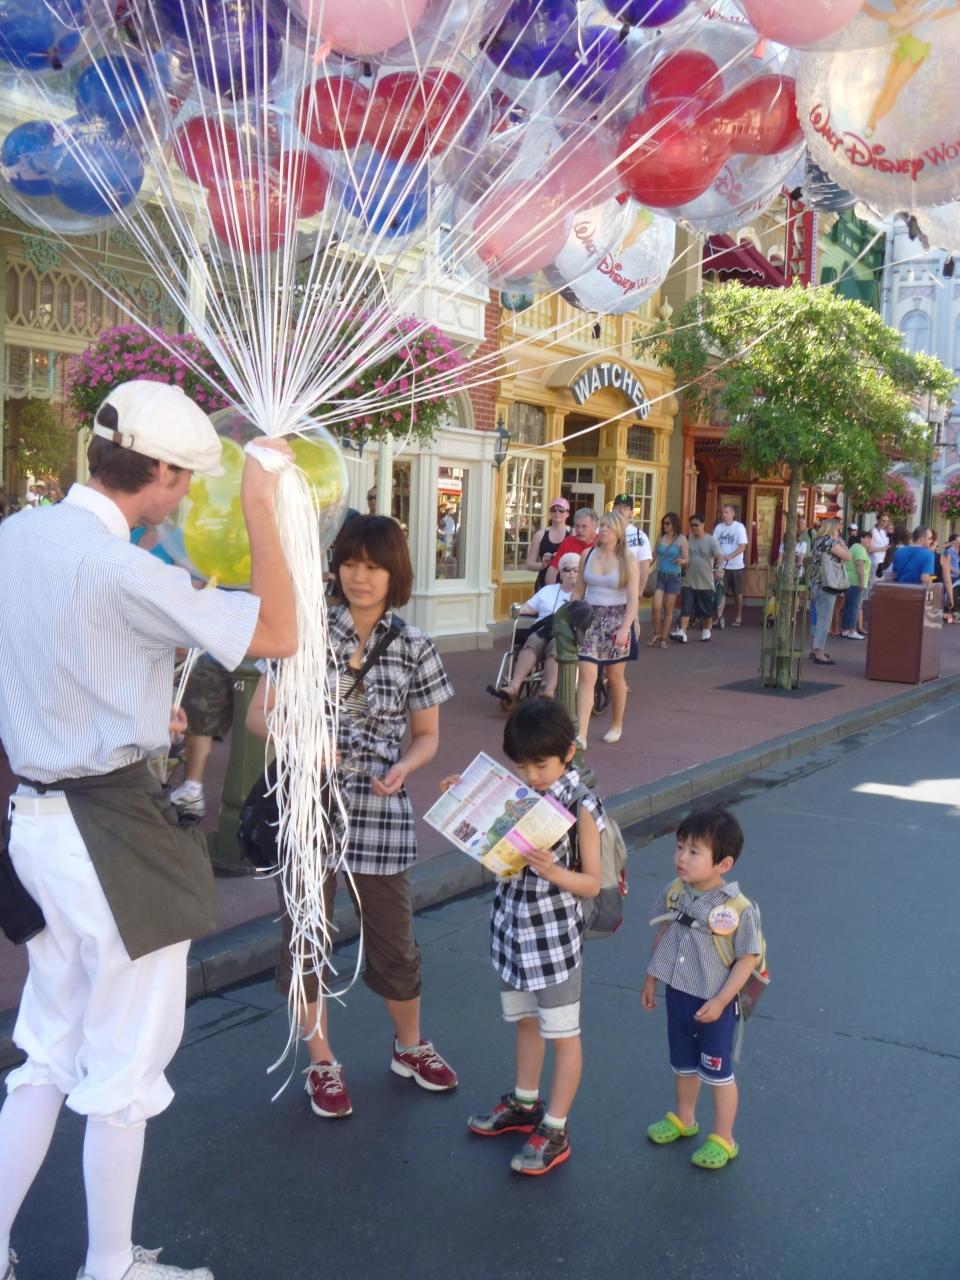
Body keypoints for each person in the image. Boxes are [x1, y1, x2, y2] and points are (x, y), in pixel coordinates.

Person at [0, 379, 297, 1280]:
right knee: (124, 1064)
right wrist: (261, 502)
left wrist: (119, 709)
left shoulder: (17, 537)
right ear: (160, 471)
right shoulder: (123, 568)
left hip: (37, 824)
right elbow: (279, 631)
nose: (187, 496)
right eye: (186, 479)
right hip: (111, 830)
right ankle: (109, 1265)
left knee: (46, 1050)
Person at [247, 514, 457, 1122]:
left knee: (394, 939)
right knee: (305, 938)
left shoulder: (415, 645)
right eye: (350, 564)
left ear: (395, 573)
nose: (360, 577)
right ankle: (321, 1060)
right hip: (310, 803)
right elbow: (260, 714)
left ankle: (410, 1046)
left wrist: (406, 766)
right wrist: (302, 741)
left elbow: (427, 735)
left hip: (379, 807)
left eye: (373, 566)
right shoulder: (304, 634)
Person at [463, 698, 602, 1176]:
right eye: (521, 766)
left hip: (554, 941)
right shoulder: (518, 796)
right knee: (525, 1021)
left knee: (562, 1034)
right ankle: (525, 1103)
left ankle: (556, 1127)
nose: (531, 776)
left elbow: (593, 883)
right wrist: (466, 807)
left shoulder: (582, 804)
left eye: (541, 765)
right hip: (512, 931)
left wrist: (554, 870)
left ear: (568, 753)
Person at [641, 807, 761, 1171]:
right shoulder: (674, 891)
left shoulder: (739, 908)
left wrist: (722, 1000)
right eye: (680, 847)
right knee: (684, 1065)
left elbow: (747, 959)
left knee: (718, 1073)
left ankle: (724, 1137)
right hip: (679, 995)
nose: (682, 857)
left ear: (723, 864)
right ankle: (684, 1118)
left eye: (694, 851)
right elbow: (663, 932)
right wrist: (651, 977)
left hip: (716, 1003)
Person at [570, 512, 639, 748]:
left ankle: (616, 724)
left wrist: (626, 628)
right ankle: (581, 733)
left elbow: (633, 598)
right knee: (587, 675)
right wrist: (570, 613)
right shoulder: (587, 555)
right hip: (590, 618)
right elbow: (578, 590)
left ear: (618, 531)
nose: (604, 530)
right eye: (602, 526)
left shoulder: (628, 559)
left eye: (609, 526)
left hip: (617, 619)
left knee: (614, 675)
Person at [492, 552, 580, 704]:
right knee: (533, 642)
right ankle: (513, 687)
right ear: (560, 573)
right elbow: (528, 607)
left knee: (557, 646)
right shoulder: (548, 591)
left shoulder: (584, 594)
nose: (571, 573)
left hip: (566, 634)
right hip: (543, 629)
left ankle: (549, 691)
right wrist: (516, 609)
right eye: (567, 570)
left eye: (576, 570)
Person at [807, 516, 852, 665]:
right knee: (825, 619)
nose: (839, 532)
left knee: (818, 616)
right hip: (827, 583)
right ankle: (819, 652)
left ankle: (814, 649)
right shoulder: (830, 542)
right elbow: (848, 556)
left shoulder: (818, 541)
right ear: (833, 529)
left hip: (815, 582)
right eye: (838, 529)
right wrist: (842, 543)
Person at [671, 515, 723, 644]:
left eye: (696, 525)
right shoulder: (688, 539)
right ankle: (682, 632)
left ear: (703, 524)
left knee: (706, 611)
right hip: (689, 581)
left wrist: (719, 569)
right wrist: (681, 561)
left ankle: (706, 630)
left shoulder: (710, 540)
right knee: (686, 608)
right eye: (692, 525)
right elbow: (683, 555)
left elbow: (719, 555)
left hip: (705, 582)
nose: (694, 527)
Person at [647, 512, 687, 649]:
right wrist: (644, 568)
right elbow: (653, 556)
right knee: (656, 607)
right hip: (660, 575)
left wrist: (681, 561)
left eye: (667, 523)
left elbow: (687, 558)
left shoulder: (681, 539)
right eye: (663, 523)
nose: (665, 526)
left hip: (674, 577)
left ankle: (664, 638)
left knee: (668, 609)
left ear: (674, 524)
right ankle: (656, 633)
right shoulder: (660, 538)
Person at [711, 505, 748, 628]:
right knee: (720, 591)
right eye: (723, 512)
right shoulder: (719, 528)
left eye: (726, 512)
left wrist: (730, 556)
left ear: (733, 514)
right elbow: (714, 545)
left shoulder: (739, 527)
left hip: (736, 566)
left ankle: (739, 616)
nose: (724, 515)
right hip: (722, 566)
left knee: (738, 592)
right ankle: (719, 616)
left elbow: (742, 546)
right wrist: (718, 558)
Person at [612, 493, 653, 595]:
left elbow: (644, 568)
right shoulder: (601, 532)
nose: (621, 510)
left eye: (626, 508)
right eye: (618, 507)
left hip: (627, 592)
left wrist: (639, 592)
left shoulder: (640, 537)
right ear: (613, 510)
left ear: (631, 513)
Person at [526, 497, 570, 591]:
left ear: (567, 513)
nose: (557, 512)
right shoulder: (540, 535)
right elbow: (529, 564)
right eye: (554, 509)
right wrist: (542, 564)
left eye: (561, 510)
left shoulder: (572, 534)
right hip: (543, 586)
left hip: (567, 585)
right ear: (550, 512)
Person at [544, 508, 598, 585]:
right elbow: (553, 569)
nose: (579, 530)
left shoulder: (603, 543)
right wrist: (551, 590)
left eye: (584, 526)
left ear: (594, 527)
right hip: (571, 588)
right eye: (577, 526)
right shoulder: (568, 542)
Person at [841, 527, 871, 640]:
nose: (870, 541)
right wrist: (861, 582)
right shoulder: (860, 549)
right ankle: (852, 631)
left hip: (849, 581)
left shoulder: (854, 547)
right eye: (867, 538)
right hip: (855, 582)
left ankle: (845, 630)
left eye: (870, 538)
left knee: (848, 606)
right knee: (854, 606)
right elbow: (860, 566)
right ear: (861, 539)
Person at [866, 512, 890, 585]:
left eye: (886, 521)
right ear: (877, 520)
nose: (885, 523)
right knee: (872, 584)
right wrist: (883, 548)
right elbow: (869, 549)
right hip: (875, 562)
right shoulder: (873, 531)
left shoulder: (883, 531)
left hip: (883, 562)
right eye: (883, 520)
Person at [940, 533, 960, 621]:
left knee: (955, 594)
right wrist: (956, 571)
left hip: (956, 576)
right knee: (949, 594)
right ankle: (948, 614)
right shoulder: (949, 550)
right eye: (958, 539)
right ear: (953, 541)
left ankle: (953, 613)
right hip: (951, 575)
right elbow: (946, 564)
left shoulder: (957, 550)